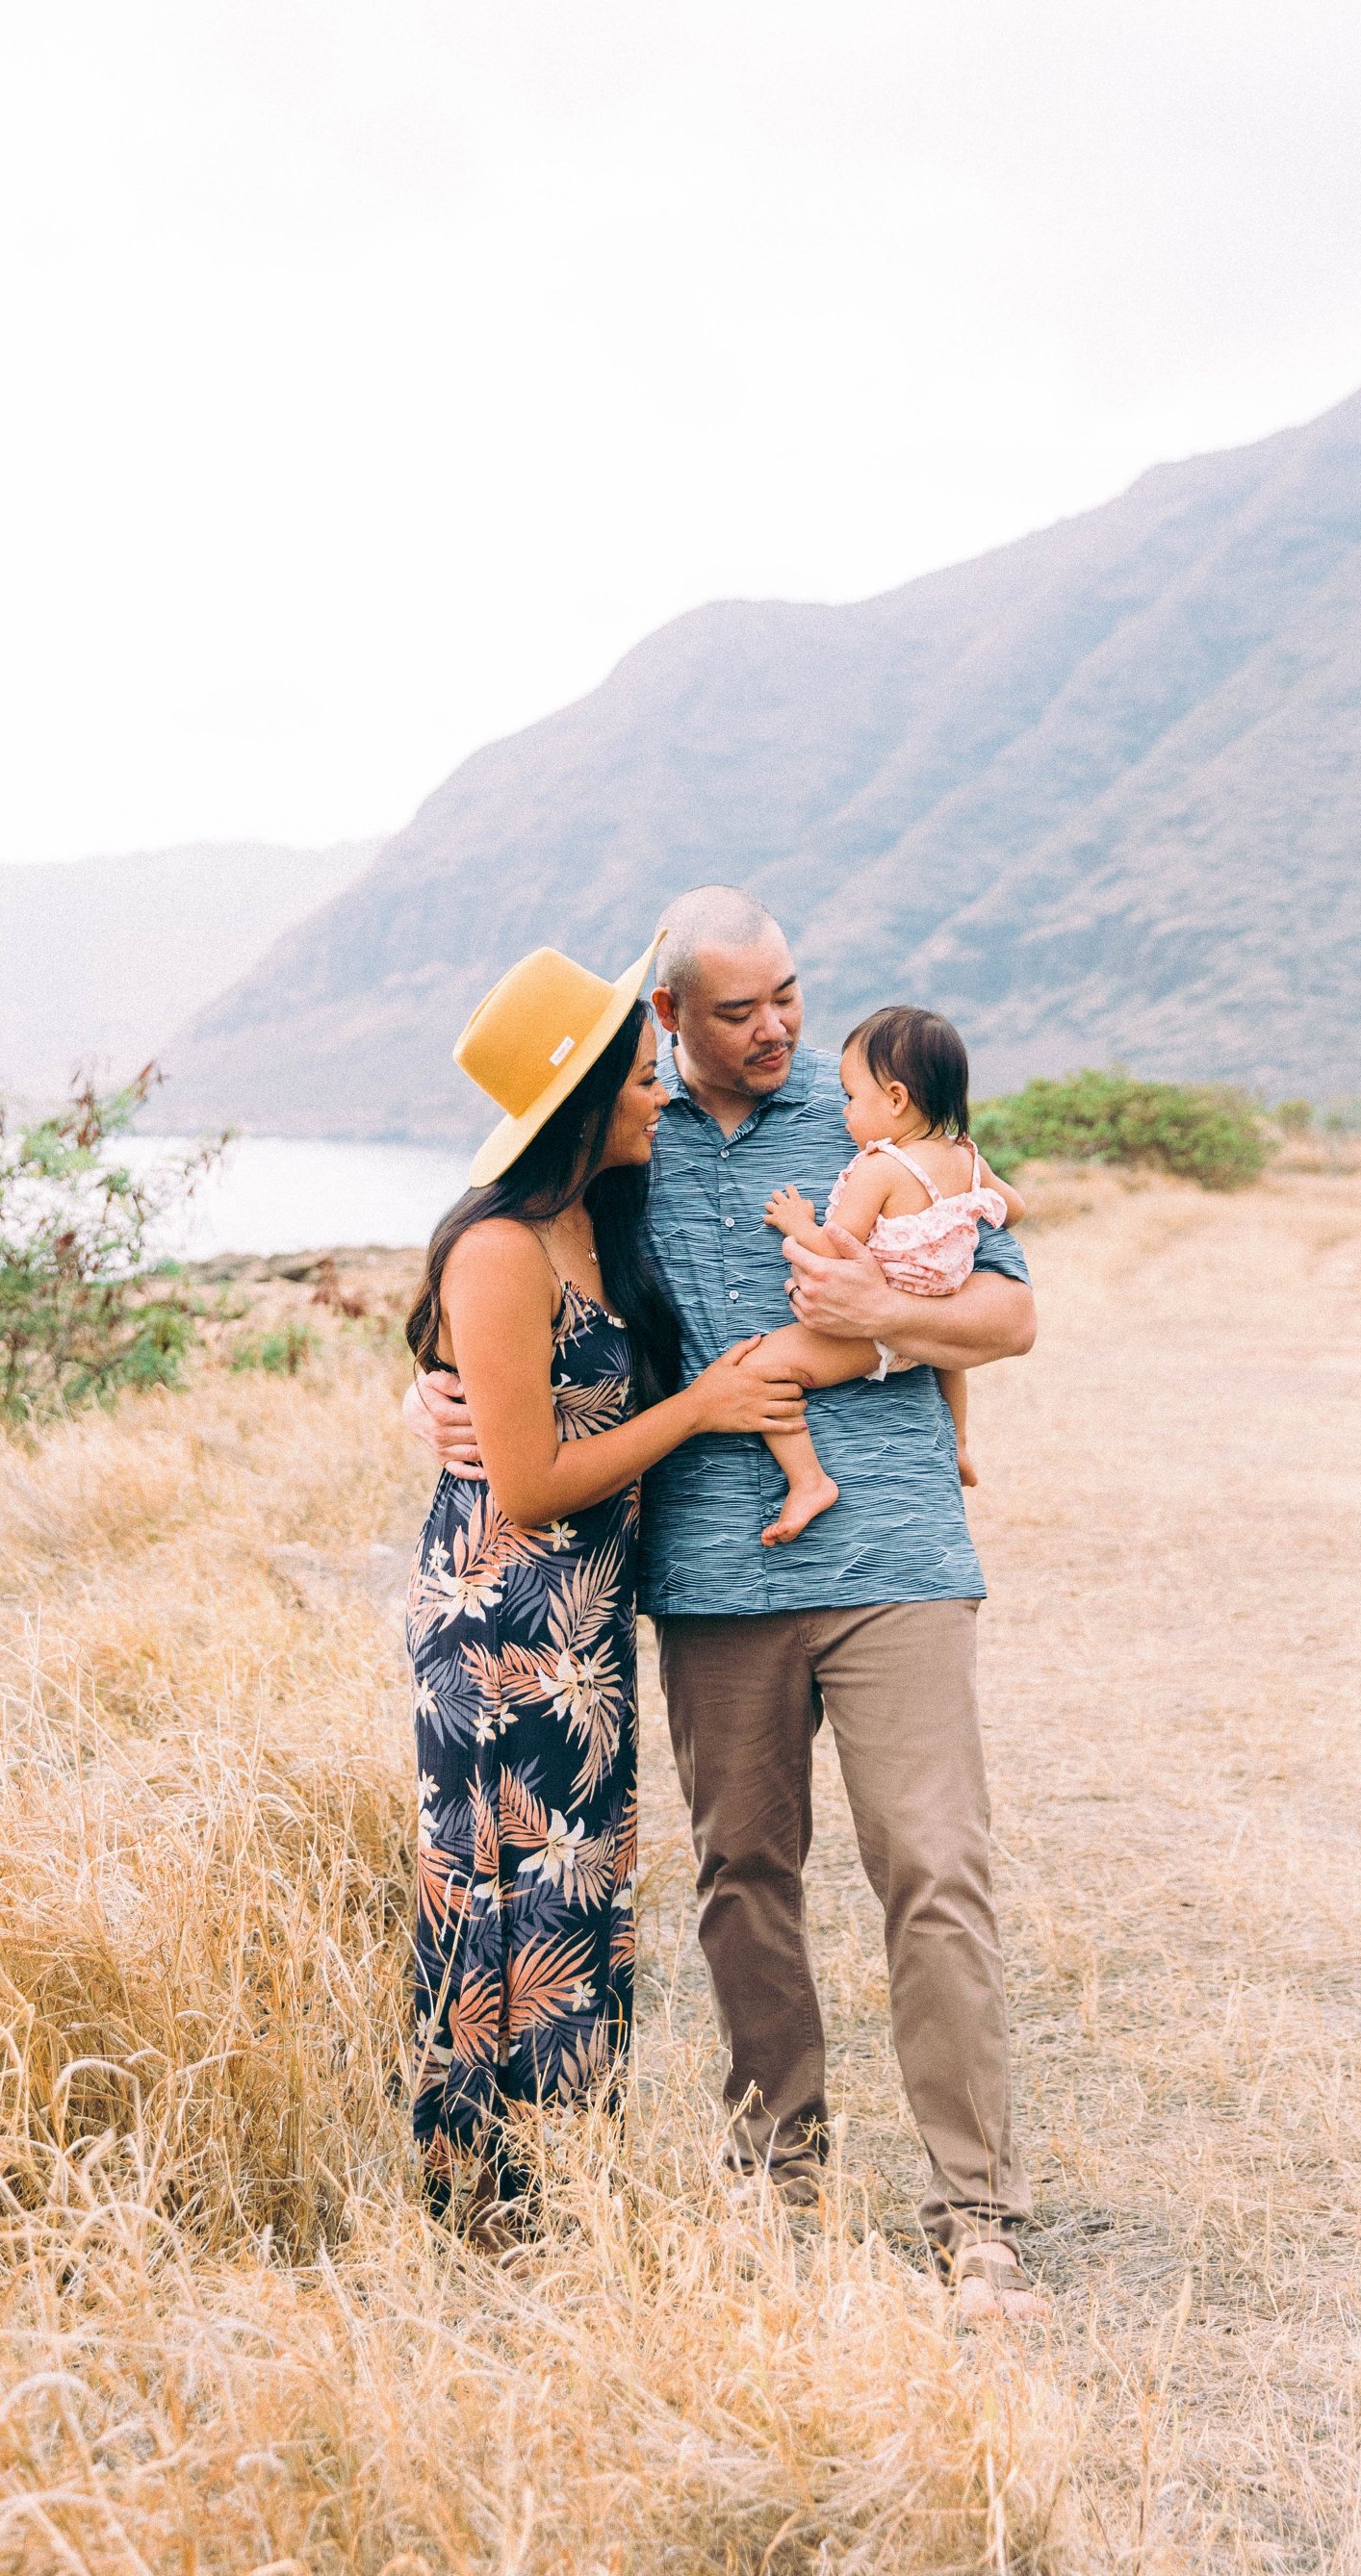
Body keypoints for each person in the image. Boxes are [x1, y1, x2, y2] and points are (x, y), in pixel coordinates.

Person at [407, 887, 1049, 2321]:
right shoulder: (621, 1140)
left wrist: (877, 1322)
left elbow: (1010, 1315)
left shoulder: (879, 1117)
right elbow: (502, 1271)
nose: (777, 1029)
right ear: (669, 1019)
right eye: (740, 1010)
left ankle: (977, 2211)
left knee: (935, 1868)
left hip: (896, 1561)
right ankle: (778, 2175)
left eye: (790, 997)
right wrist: (429, 1392)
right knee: (742, 1882)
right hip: (707, 1574)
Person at [403, 932, 813, 2246]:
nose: (659, 1093)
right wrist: (698, 1408)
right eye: (639, 1077)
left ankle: (558, 2189)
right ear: (581, 1099)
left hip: (580, 1627)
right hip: (503, 1628)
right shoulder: (503, 1247)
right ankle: (482, 2201)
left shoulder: (598, 1215)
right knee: (504, 1894)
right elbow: (525, 1483)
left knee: (580, 1893)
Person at [710, 1002, 1029, 1542]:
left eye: (853, 1099)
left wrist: (796, 1224)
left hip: (870, 1332)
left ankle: (808, 1479)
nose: (845, 1115)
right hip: (928, 1330)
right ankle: (959, 1446)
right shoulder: (967, 1156)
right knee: (946, 1360)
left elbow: (839, 1249)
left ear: (896, 1099)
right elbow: (1013, 1209)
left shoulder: (880, 1168)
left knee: (762, 1367)